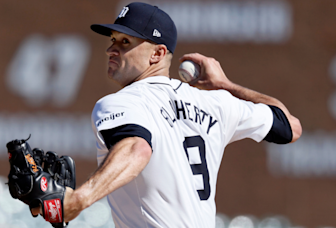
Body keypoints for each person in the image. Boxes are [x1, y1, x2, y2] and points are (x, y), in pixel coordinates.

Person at [33, 2, 302, 227]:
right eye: (113, 40)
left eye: (125, 42)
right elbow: (289, 127)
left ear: (158, 53)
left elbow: (137, 149)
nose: (111, 49)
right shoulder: (216, 103)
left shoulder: (121, 103)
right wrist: (226, 86)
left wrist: (77, 201)